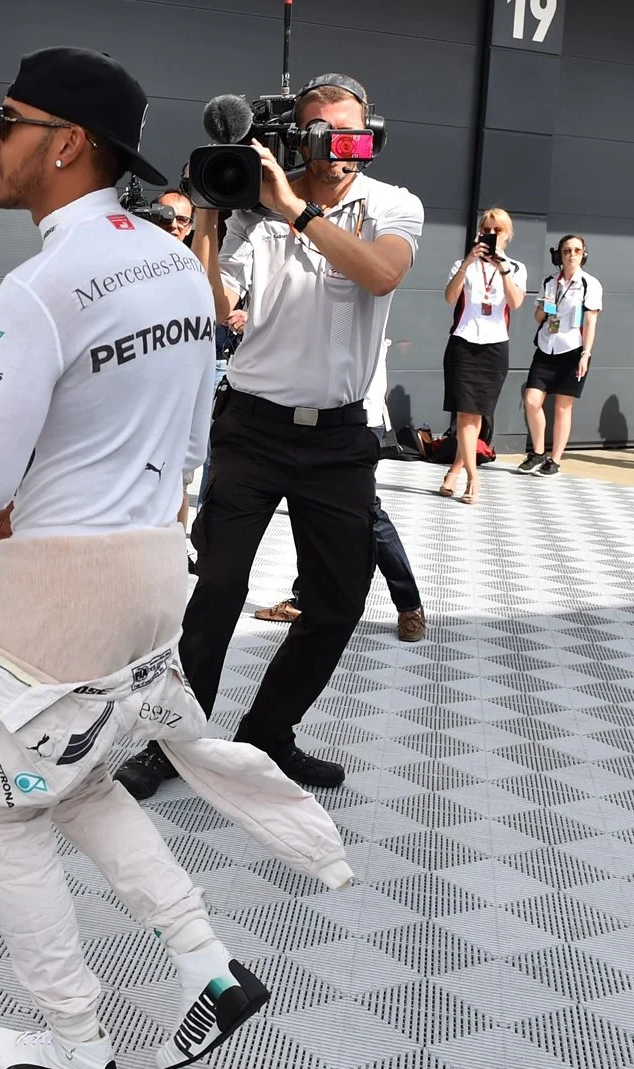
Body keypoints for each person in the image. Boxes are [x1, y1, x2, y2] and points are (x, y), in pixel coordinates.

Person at [0, 49, 356, 1069]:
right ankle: (206, 966)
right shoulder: (169, 259)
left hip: (59, 595)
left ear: (65, 144)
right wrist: (36, 498)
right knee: (71, 779)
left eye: (6, 120)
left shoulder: (39, 284)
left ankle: (73, 1041)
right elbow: (181, 429)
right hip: (156, 572)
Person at [177, 73, 424, 792]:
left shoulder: (390, 206)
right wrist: (210, 218)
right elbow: (216, 304)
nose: (342, 150)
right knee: (216, 588)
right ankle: (174, 741)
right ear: (297, 134)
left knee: (338, 600)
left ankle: (265, 734)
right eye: (325, 133)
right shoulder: (256, 207)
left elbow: (381, 276)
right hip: (251, 425)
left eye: (355, 135)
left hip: (340, 437)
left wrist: (296, 211)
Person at [438, 208, 526, 503]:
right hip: (464, 342)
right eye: (487, 229)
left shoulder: (515, 267)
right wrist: (467, 262)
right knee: (465, 414)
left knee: (477, 415)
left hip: (495, 345)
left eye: (497, 230)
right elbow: (450, 297)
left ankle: (455, 469)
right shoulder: (464, 264)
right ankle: (473, 480)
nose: (492, 234)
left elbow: (515, 303)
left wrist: (501, 269)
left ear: (507, 234)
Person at [518, 234, 603, 476]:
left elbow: (591, 320)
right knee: (532, 400)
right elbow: (538, 318)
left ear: (583, 254)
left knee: (563, 408)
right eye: (567, 250)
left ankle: (554, 459)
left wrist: (586, 354)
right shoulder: (550, 282)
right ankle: (537, 452)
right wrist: (543, 307)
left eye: (577, 250)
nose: (572, 255)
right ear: (560, 255)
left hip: (573, 349)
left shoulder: (589, 284)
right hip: (547, 346)